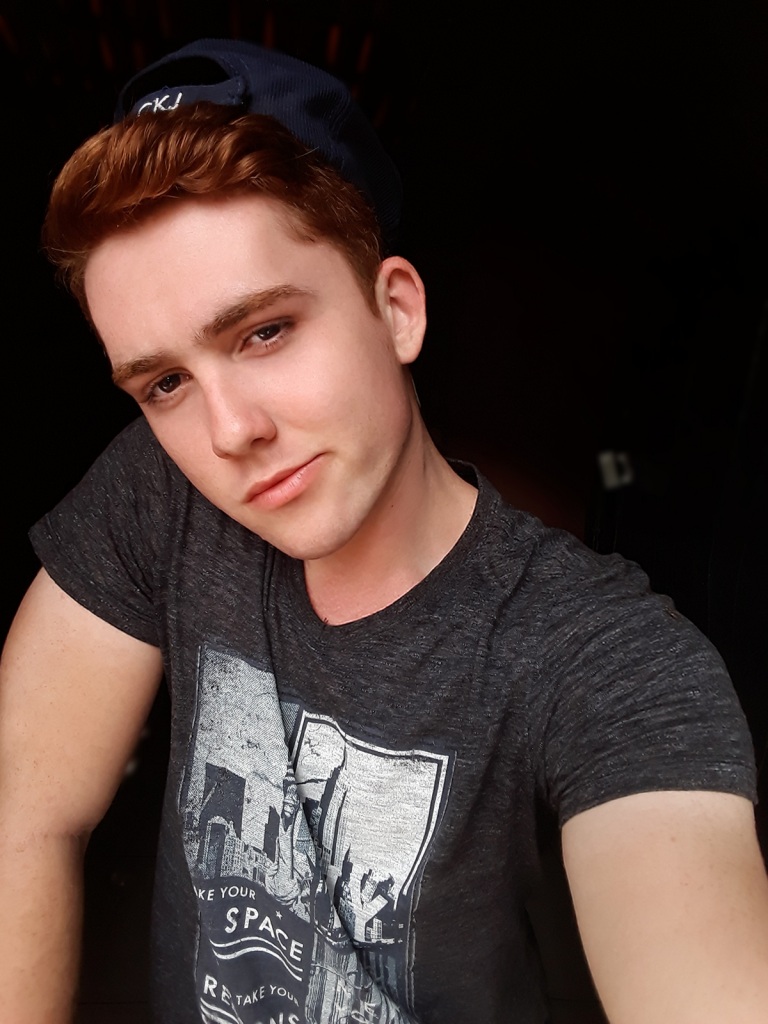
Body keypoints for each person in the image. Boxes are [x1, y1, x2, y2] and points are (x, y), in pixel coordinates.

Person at [1, 37, 767, 1024]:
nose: (230, 431)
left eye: (265, 331)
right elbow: (26, 809)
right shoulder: (160, 488)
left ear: (396, 309)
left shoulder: (605, 659)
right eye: (166, 383)